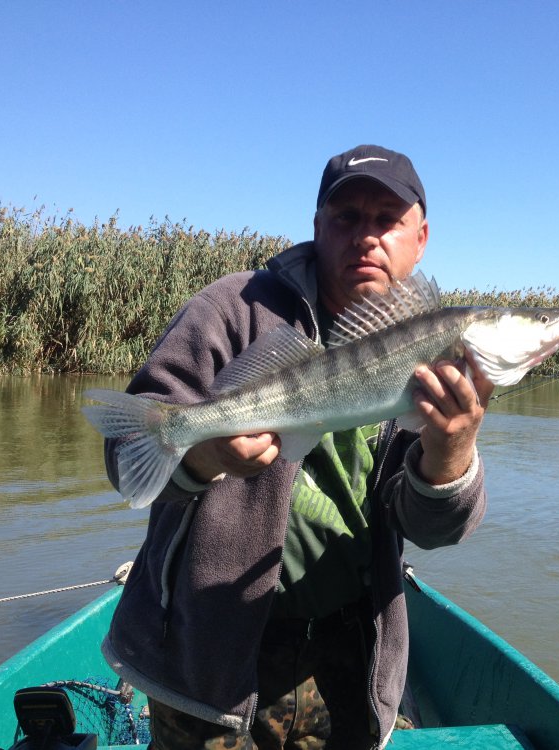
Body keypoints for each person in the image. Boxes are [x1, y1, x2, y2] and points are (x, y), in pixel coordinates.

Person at [100, 145, 493, 749]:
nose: (367, 236)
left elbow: (434, 529)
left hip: (350, 656)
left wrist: (452, 451)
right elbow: (127, 452)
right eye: (347, 217)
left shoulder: (437, 354)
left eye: (387, 219)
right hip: (209, 653)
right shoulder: (234, 310)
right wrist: (205, 456)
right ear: (317, 226)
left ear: (420, 238)